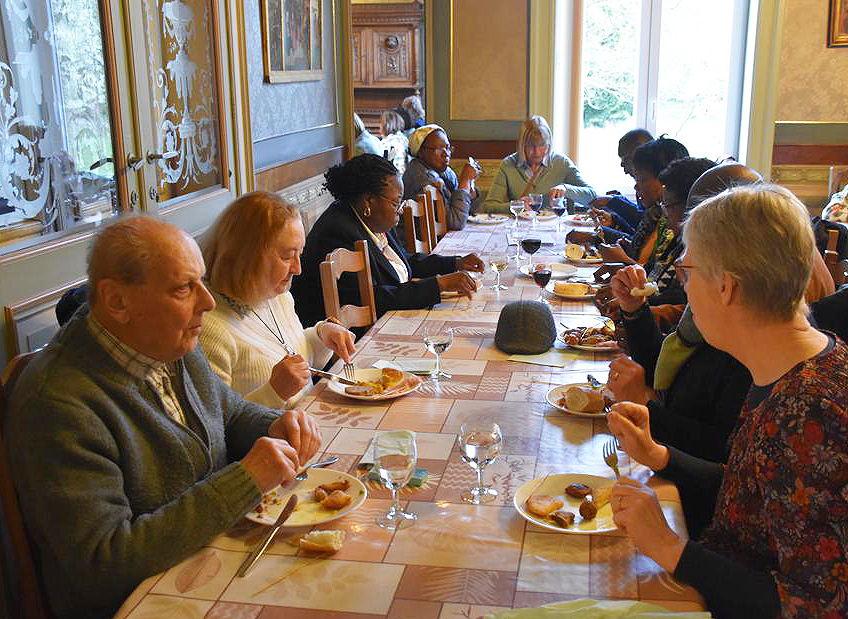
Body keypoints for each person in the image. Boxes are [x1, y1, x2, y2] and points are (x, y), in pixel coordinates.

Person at [4, 216, 322, 619]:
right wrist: (245, 480)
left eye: (202, 281)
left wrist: (274, 424)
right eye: (184, 288)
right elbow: (104, 565)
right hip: (141, 603)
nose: (208, 302)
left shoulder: (166, 340)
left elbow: (228, 411)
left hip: (210, 556)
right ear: (117, 302)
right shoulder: (59, 403)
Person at [607, 184, 848, 619]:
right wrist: (660, 455)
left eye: (687, 271)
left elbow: (817, 605)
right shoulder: (786, 363)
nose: (684, 289)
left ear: (726, 287)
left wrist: (669, 547)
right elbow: (753, 492)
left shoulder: (813, 410)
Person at [291, 154, 483, 333]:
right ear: (369, 202)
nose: (400, 209)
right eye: (395, 203)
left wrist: (454, 263)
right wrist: (438, 284)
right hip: (351, 337)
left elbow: (404, 262)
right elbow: (372, 298)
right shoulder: (337, 232)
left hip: (386, 320)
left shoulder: (371, 218)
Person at [200, 192, 357, 409]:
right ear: (246, 256)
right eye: (287, 256)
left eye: (300, 254)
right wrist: (274, 392)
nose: (298, 269)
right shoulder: (209, 329)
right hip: (273, 431)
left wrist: (322, 336)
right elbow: (216, 422)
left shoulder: (277, 296)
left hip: (306, 420)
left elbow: (293, 354)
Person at [483, 116, 596, 212]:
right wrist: (516, 206)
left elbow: (592, 197)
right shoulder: (508, 165)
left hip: (554, 227)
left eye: (542, 145)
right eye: (531, 146)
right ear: (522, 145)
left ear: (549, 143)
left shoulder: (562, 163)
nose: (537, 152)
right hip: (521, 228)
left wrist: (566, 189)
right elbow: (489, 206)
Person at [402, 124, 482, 231]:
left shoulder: (444, 172)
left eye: (448, 148)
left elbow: (465, 212)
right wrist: (465, 182)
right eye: (439, 149)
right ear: (420, 152)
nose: (446, 153)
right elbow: (456, 222)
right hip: (423, 241)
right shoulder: (423, 178)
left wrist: (469, 189)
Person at [380, 109, 409, 175]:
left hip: (394, 176)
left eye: (381, 123)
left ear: (385, 125)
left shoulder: (387, 143)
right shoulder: (404, 139)